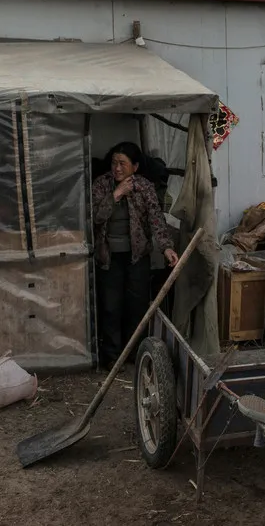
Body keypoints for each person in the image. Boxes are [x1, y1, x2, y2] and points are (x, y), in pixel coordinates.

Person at [91, 142, 179, 369]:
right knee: (111, 306)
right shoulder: (102, 185)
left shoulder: (145, 187)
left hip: (137, 257)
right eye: (114, 162)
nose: (117, 168)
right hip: (108, 257)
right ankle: (111, 356)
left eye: (123, 163)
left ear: (135, 166)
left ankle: (134, 354)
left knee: (137, 306)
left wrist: (166, 247)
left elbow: (156, 219)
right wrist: (117, 194)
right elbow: (96, 217)